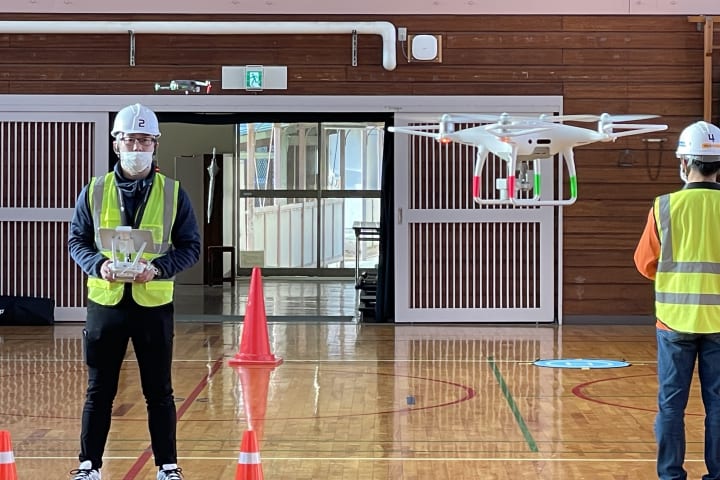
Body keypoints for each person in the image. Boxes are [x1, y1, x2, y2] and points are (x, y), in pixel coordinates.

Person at [67, 103, 201, 480]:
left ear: (156, 144)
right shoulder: (94, 191)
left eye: (145, 140)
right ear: (116, 144)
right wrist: (99, 265)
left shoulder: (174, 193)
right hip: (106, 304)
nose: (137, 147)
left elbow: (190, 246)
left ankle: (167, 466)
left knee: (159, 391)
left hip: (152, 306)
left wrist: (158, 269)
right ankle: (89, 465)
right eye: (130, 140)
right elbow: (77, 241)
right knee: (99, 391)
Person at [634, 120, 720, 480]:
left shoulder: (665, 206)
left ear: (684, 162)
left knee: (671, 405)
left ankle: (671, 475)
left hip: (673, 322)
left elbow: (645, 263)